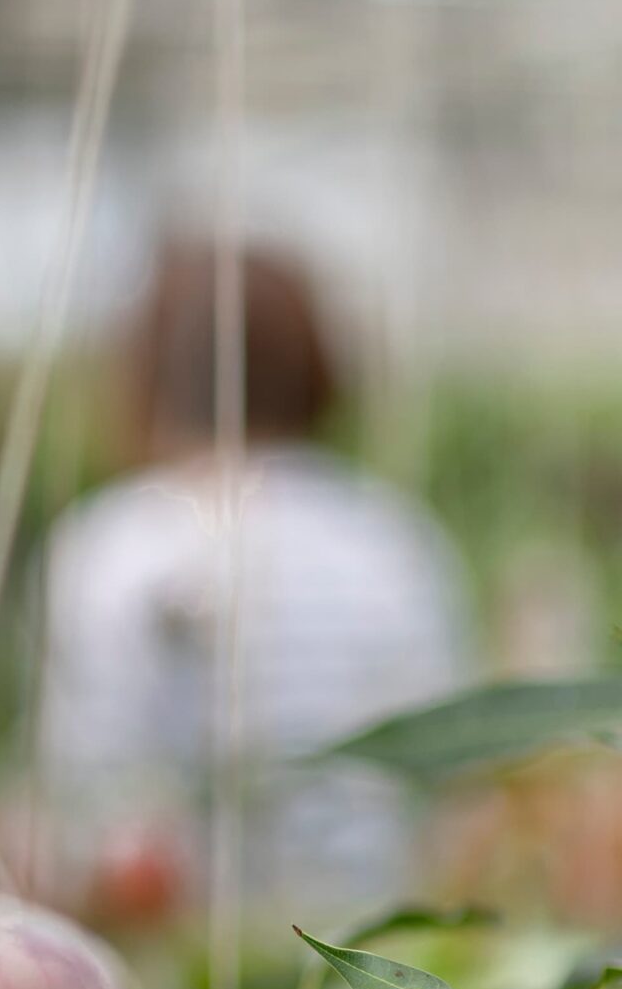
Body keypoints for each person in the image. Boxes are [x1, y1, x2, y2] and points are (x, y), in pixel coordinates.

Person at [31, 237, 474, 934]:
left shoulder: (115, 543)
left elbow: (95, 800)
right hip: (377, 960)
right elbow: (451, 778)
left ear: (146, 369)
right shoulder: (391, 537)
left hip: (179, 966)